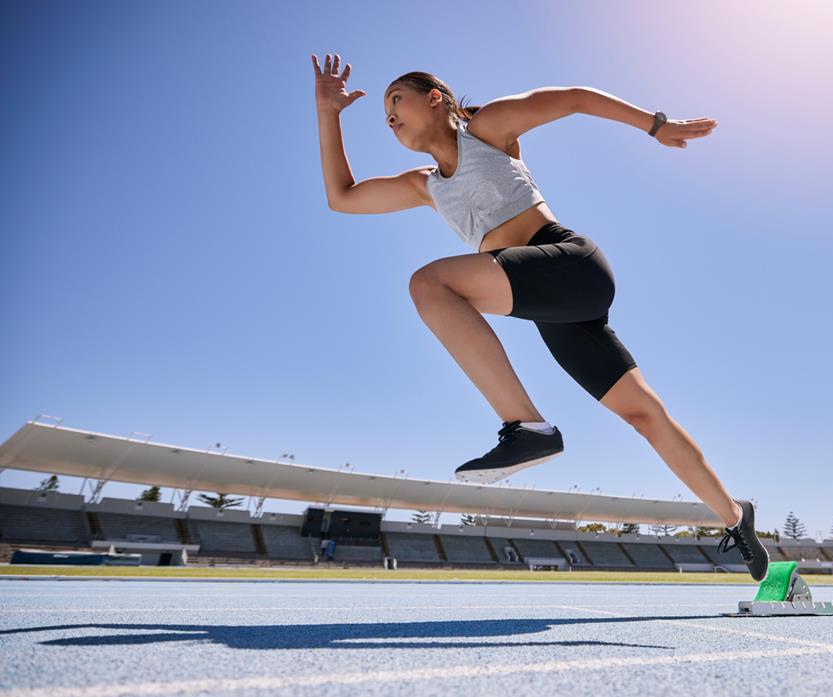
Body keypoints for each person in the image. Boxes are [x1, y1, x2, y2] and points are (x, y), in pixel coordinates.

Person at [311, 53, 768, 580]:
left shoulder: (487, 130)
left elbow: (574, 99)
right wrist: (328, 113)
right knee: (645, 415)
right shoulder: (424, 184)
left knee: (430, 283)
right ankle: (736, 516)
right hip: (552, 306)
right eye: (384, 113)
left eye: (396, 100)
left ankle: (525, 426)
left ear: (435, 97)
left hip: (570, 264)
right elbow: (341, 198)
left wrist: (656, 126)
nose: (389, 115)